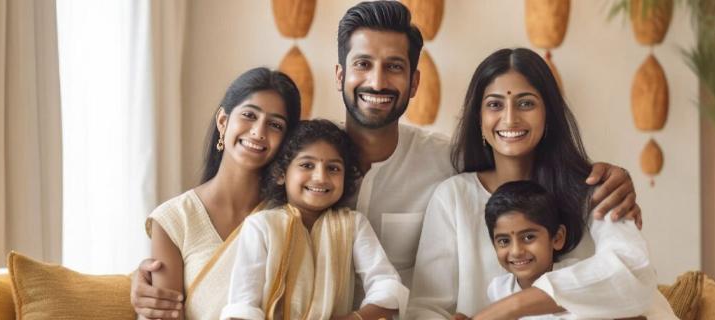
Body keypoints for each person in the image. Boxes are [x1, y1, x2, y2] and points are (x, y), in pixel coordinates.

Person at [132, 2, 641, 318]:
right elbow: (220, 234)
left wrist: (607, 178)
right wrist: (146, 288)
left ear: (414, 81)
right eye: (363, 65)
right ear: (339, 74)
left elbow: (515, 172)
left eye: (394, 67)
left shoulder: (449, 166)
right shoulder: (300, 168)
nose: (377, 81)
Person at [409, 48, 647, 319]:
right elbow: (425, 309)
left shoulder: (595, 188)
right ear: (479, 118)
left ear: (548, 115)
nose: (510, 119)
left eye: (525, 103)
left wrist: (508, 309)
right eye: (495, 104)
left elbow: (633, 273)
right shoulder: (453, 197)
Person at [142, 67, 301, 320]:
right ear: (223, 122)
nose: (259, 132)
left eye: (275, 125)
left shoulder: (290, 217)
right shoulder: (173, 220)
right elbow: (162, 313)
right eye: (249, 115)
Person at [220, 119, 407, 320]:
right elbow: (242, 305)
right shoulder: (262, 226)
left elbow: (387, 287)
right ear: (281, 174)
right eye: (307, 165)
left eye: (333, 168)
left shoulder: (353, 226)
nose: (320, 177)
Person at [476, 180, 677, 320]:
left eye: (528, 237)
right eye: (503, 241)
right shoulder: (499, 289)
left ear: (557, 238)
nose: (516, 250)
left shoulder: (577, 278)